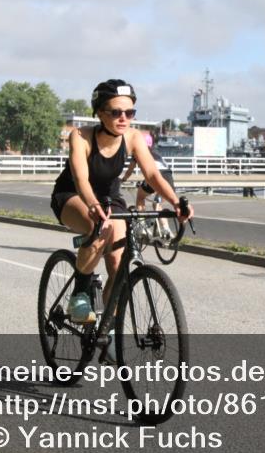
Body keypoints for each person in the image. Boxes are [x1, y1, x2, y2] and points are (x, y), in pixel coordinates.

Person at [51, 80, 192, 326]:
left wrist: (176, 202)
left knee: (118, 265)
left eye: (130, 112)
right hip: (73, 195)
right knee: (101, 229)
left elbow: (153, 175)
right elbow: (80, 178)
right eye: (116, 112)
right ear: (100, 113)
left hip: (109, 197)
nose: (123, 118)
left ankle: (109, 330)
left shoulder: (133, 137)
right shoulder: (81, 136)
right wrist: (93, 205)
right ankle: (80, 294)